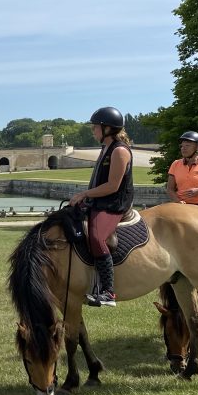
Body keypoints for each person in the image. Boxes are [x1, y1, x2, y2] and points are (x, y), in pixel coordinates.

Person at [69, 106, 134, 307]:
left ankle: (108, 292)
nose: (93, 131)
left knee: (97, 237)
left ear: (107, 128)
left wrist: (85, 193)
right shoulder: (106, 147)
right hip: (100, 200)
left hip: (115, 203)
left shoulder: (120, 150)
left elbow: (113, 186)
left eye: (95, 127)